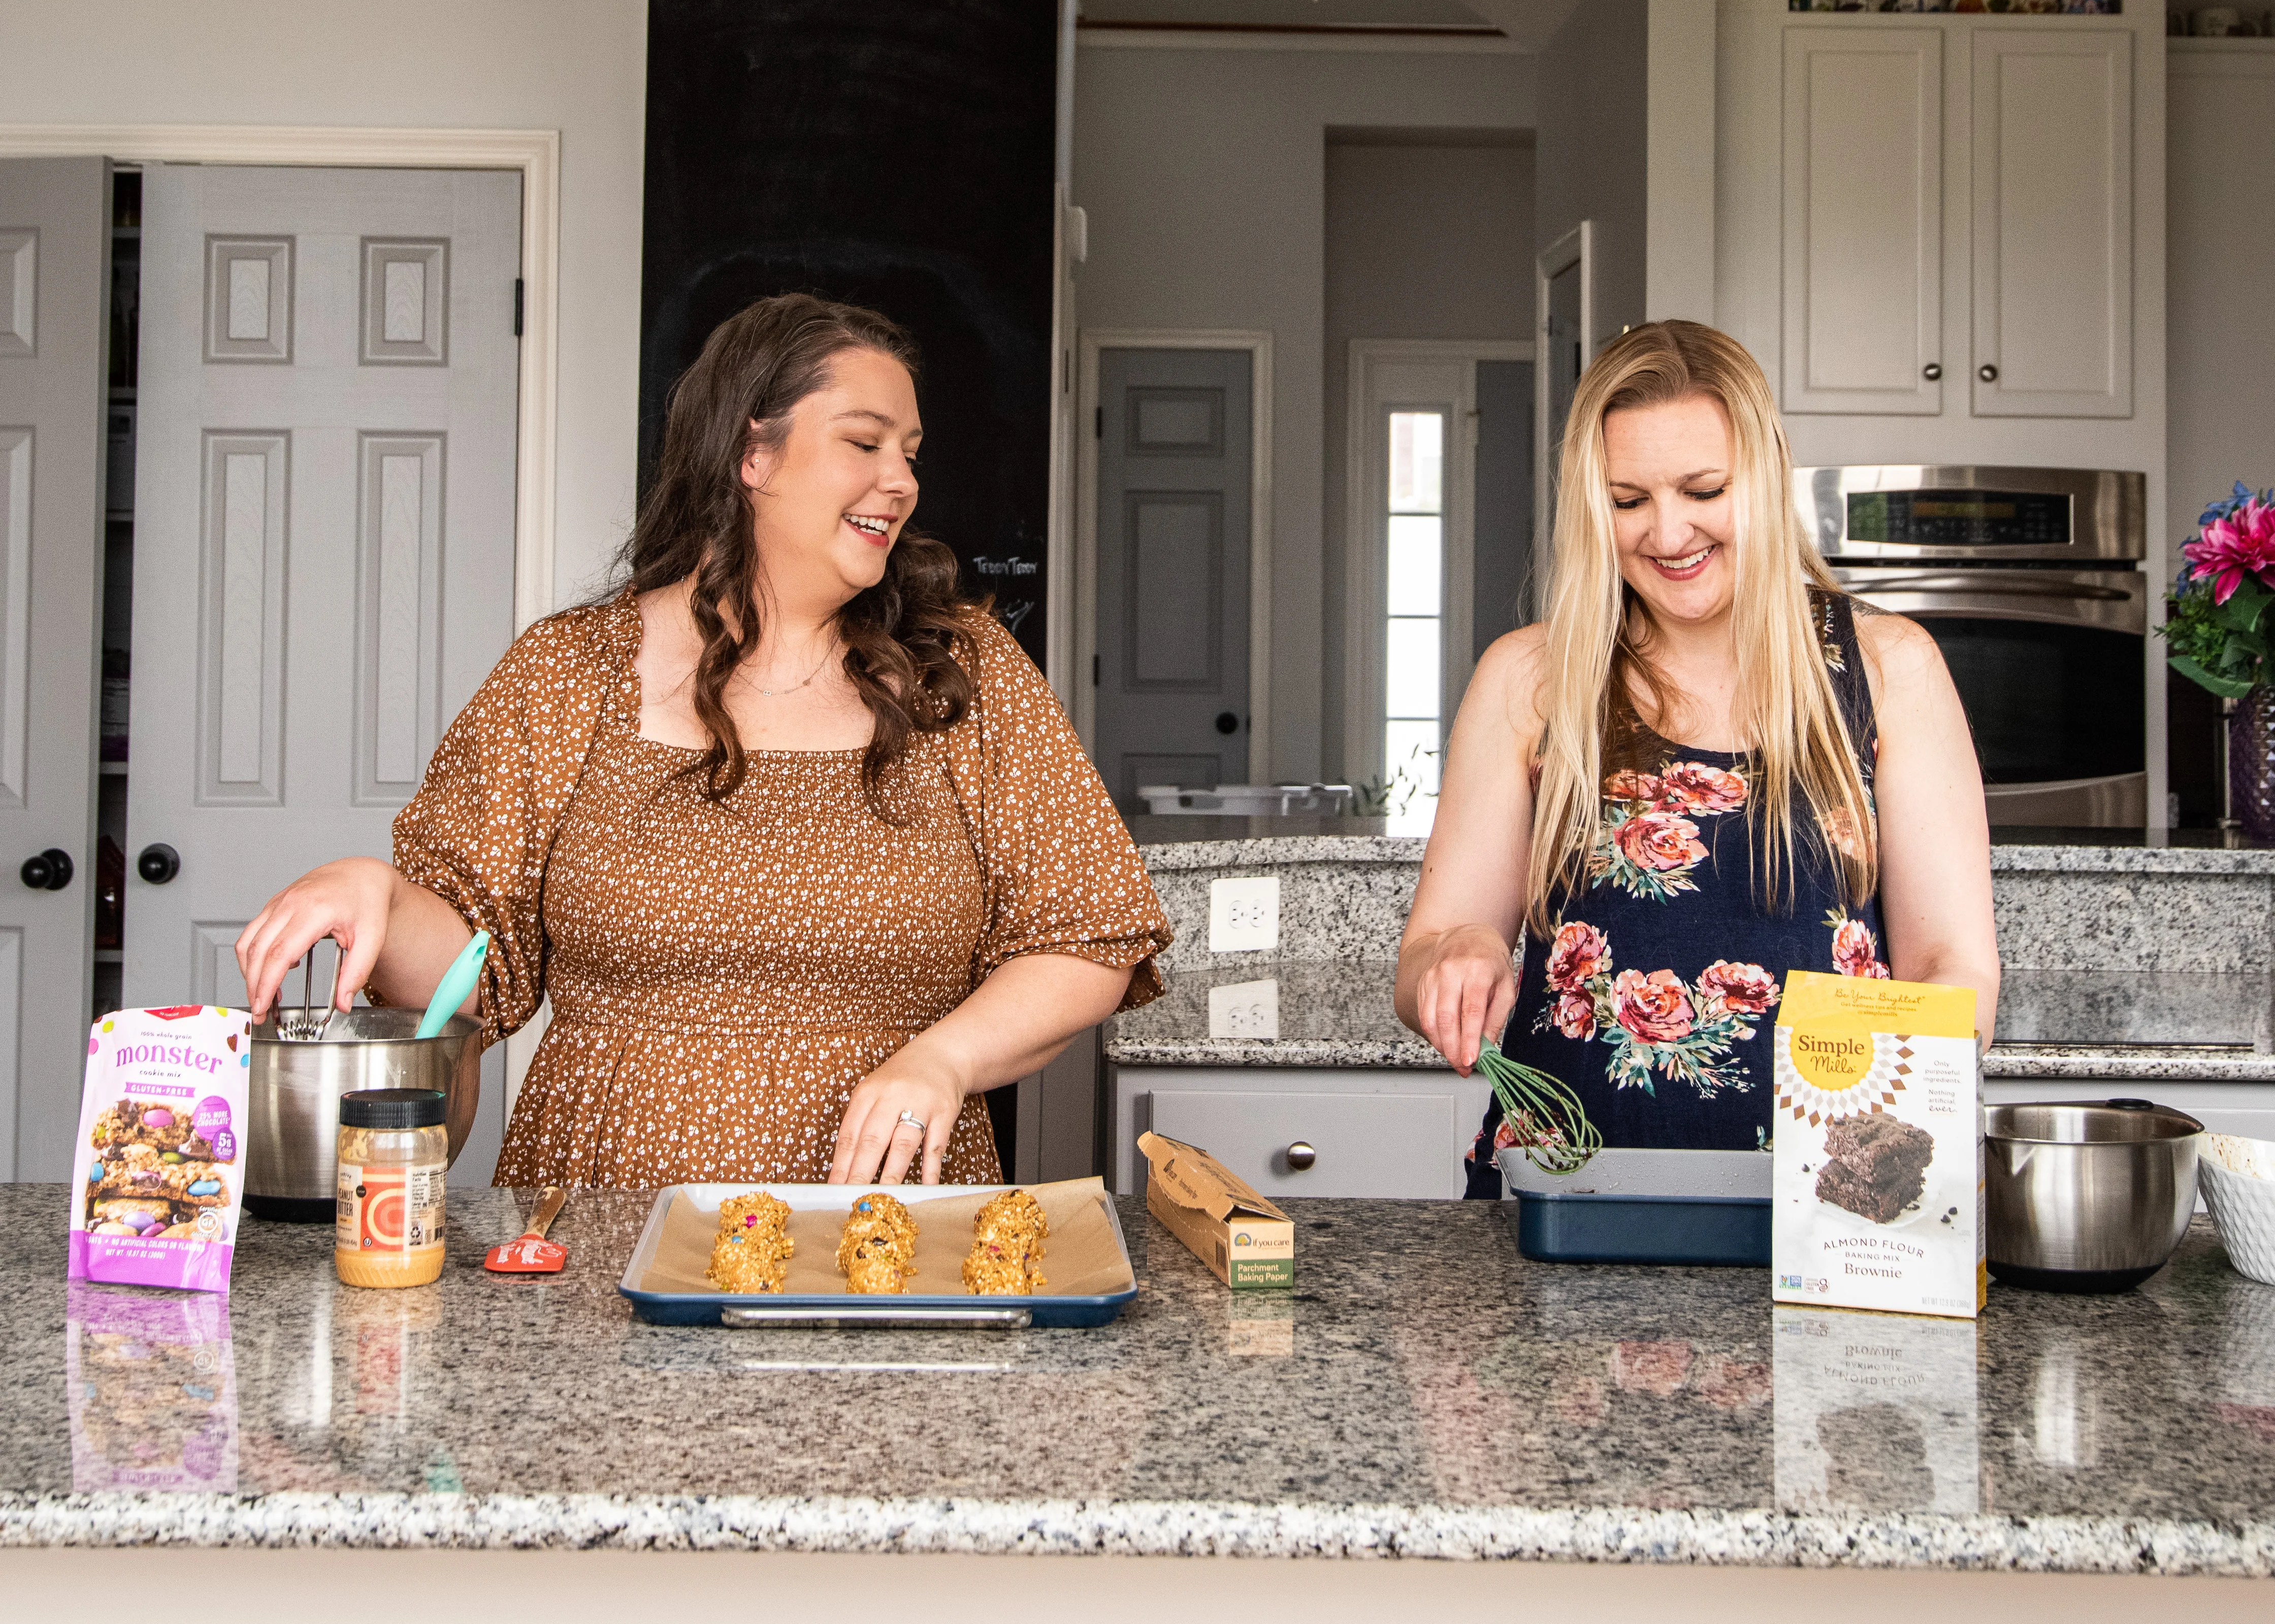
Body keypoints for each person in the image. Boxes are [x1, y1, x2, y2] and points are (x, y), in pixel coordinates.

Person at [237, 294, 1169, 1190]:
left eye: (910, 453)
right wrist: (383, 897)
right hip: (605, 1223)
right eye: (863, 443)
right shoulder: (571, 668)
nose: (903, 481)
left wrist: (945, 1059)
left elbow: (1089, 935)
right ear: (749, 453)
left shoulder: (964, 672)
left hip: (884, 1229)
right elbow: (476, 976)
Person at [1393, 318, 1997, 1183]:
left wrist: (1884, 1128)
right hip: (1565, 1202)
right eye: (1627, 500)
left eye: (1703, 491)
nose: (1668, 535)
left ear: (1764, 475)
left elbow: (1951, 964)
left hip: (1824, 1208)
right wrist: (1460, 964)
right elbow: (1428, 955)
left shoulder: (1890, 670)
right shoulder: (1530, 677)